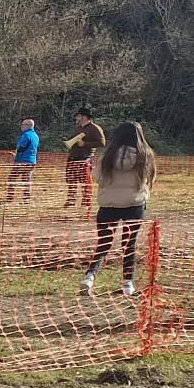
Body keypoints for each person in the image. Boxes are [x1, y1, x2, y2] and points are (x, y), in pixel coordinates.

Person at [80, 121, 155, 298]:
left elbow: (97, 177)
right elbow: (150, 178)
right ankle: (128, 284)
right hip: (134, 205)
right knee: (129, 244)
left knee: (104, 244)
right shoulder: (146, 155)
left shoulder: (108, 156)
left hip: (108, 205)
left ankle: (89, 278)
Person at [63, 108, 106, 211]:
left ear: (84, 117)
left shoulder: (95, 128)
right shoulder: (77, 128)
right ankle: (71, 200)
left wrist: (85, 144)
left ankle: (86, 201)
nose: (77, 118)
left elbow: (102, 143)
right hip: (73, 157)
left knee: (85, 181)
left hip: (84, 158)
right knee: (72, 180)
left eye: (79, 116)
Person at [9, 119, 39, 202]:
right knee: (26, 179)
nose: (21, 126)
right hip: (32, 161)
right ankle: (27, 198)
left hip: (22, 161)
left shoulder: (26, 135)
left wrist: (15, 155)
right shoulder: (35, 136)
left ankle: (10, 197)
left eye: (23, 125)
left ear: (28, 126)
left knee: (12, 178)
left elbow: (22, 148)